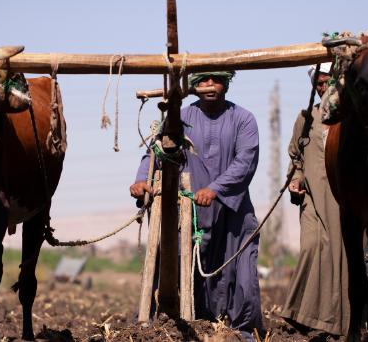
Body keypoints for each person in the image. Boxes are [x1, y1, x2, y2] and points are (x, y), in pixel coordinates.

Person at [129, 71, 264, 339]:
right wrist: (142, 179)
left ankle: (239, 333)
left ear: (226, 84)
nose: (209, 86)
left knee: (243, 278)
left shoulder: (244, 119)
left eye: (215, 80)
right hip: (191, 214)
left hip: (231, 210)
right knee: (181, 270)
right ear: (194, 86)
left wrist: (215, 189)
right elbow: (156, 150)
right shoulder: (181, 118)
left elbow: (245, 162)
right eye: (203, 81)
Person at [281, 62, 350, 337]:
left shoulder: (351, 117)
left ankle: (333, 321)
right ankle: (302, 313)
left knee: (338, 252)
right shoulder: (306, 117)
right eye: (319, 84)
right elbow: (296, 155)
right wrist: (295, 179)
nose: (324, 88)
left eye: (329, 82)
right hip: (311, 196)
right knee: (311, 247)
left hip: (341, 199)